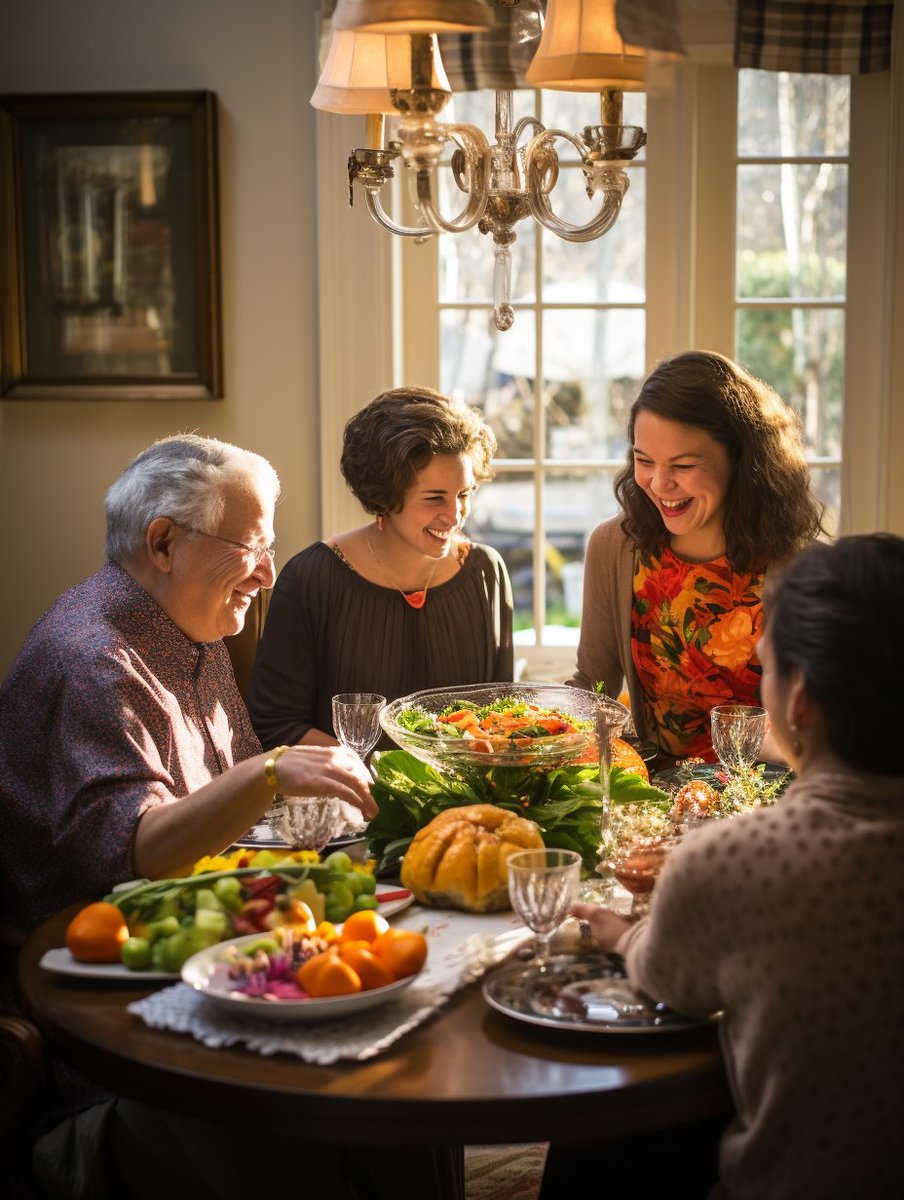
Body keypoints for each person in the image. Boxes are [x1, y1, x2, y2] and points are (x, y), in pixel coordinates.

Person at [0, 434, 457, 1200]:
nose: (270, 574)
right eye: (251, 547)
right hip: (110, 1017)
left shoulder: (191, 624)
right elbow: (131, 852)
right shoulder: (96, 661)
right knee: (361, 1089)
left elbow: (236, 823)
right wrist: (272, 772)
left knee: (411, 1065)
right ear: (163, 542)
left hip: (203, 956)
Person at [553, 535, 904, 1199]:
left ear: (796, 699)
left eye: (763, 667)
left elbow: (664, 980)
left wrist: (622, 934)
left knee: (603, 1134)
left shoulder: (731, 859)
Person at [568, 350, 824, 762]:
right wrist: (533, 730)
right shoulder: (614, 546)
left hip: (770, 793)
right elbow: (591, 684)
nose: (659, 483)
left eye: (683, 465)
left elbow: (820, 721)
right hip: (655, 793)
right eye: (643, 460)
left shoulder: (800, 567)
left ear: (742, 460)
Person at [247, 386, 514, 750]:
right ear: (385, 496)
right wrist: (372, 778)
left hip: (466, 804)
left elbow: (501, 716)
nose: (455, 515)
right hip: (347, 798)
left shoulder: (486, 572)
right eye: (434, 497)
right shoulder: (310, 579)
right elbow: (276, 724)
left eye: (464, 494)